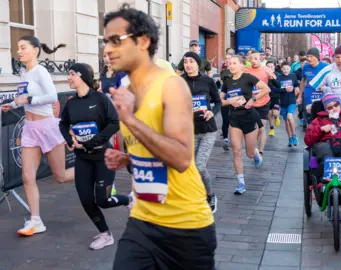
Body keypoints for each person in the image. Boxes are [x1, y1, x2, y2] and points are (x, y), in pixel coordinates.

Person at [101, 5, 216, 269]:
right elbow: (150, 149)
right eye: (106, 41)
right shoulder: (126, 90)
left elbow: (180, 158)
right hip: (143, 220)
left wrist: (130, 120)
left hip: (185, 227)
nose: (107, 49)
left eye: (115, 41)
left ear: (142, 42)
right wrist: (127, 158)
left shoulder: (171, 86)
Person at [1, 35, 75, 236]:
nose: (19, 51)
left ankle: (92, 168)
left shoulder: (40, 71)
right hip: (30, 129)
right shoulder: (23, 73)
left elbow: (51, 96)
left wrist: (29, 98)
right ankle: (36, 220)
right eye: (18, 47)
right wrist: (14, 104)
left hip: (47, 127)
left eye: (23, 47)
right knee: (27, 176)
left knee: (60, 176)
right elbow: (24, 98)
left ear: (35, 50)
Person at [59, 63, 133, 250]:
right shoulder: (71, 103)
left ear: (82, 76)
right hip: (83, 158)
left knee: (103, 200)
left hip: (103, 156)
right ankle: (105, 234)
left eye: (72, 74)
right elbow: (62, 124)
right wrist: (69, 140)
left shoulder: (100, 99)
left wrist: (92, 141)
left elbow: (114, 123)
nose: (68, 77)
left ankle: (130, 200)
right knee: (85, 199)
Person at [220, 55, 270, 194]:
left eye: (234, 63)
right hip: (234, 119)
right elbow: (221, 100)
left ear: (242, 65)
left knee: (249, 152)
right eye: (229, 64)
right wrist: (230, 102)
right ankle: (241, 183)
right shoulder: (227, 81)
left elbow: (266, 89)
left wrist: (252, 99)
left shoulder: (248, 77)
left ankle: (255, 155)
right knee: (236, 151)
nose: (231, 66)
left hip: (249, 117)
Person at [181, 52, 221, 213]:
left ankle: (210, 195)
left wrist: (213, 112)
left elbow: (217, 101)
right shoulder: (179, 82)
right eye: (185, 62)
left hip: (207, 130)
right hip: (188, 131)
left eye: (191, 61)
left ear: (198, 64)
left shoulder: (208, 81)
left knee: (199, 166)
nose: (188, 64)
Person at [245, 51, 273, 158]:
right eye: (251, 59)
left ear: (260, 59)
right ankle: (253, 148)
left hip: (264, 102)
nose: (253, 61)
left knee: (261, 128)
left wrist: (271, 77)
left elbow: (276, 82)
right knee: (254, 128)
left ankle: (260, 153)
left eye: (256, 58)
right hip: (251, 103)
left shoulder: (266, 69)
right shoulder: (246, 71)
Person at [297, 47, 328, 125]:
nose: (309, 59)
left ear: (317, 57)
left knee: (322, 117)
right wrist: (300, 96)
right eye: (308, 56)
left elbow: (331, 80)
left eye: (311, 56)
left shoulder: (325, 66)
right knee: (310, 117)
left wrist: (325, 87)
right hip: (309, 95)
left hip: (321, 95)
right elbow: (303, 81)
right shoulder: (306, 67)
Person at [274, 62, 301, 146]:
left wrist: (296, 88)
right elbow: (275, 89)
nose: (286, 70)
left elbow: (297, 84)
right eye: (284, 69)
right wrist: (284, 89)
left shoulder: (293, 76)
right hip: (283, 102)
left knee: (290, 117)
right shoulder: (279, 77)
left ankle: (294, 136)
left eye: (287, 69)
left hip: (292, 100)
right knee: (286, 122)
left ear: (290, 68)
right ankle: (289, 138)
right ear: (281, 69)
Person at [220, 53, 233, 150]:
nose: (227, 60)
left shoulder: (238, 71)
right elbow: (221, 84)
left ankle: (233, 138)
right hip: (224, 97)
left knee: (232, 120)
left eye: (229, 58)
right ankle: (225, 139)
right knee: (225, 119)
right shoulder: (223, 72)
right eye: (226, 58)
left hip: (235, 98)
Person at [265, 61, 281, 136]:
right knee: (269, 113)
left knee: (274, 113)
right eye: (268, 66)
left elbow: (278, 85)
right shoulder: (264, 75)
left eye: (271, 66)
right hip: (267, 97)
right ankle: (271, 128)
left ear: (274, 67)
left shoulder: (277, 75)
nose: (270, 68)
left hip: (275, 97)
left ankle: (277, 117)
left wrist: (272, 78)